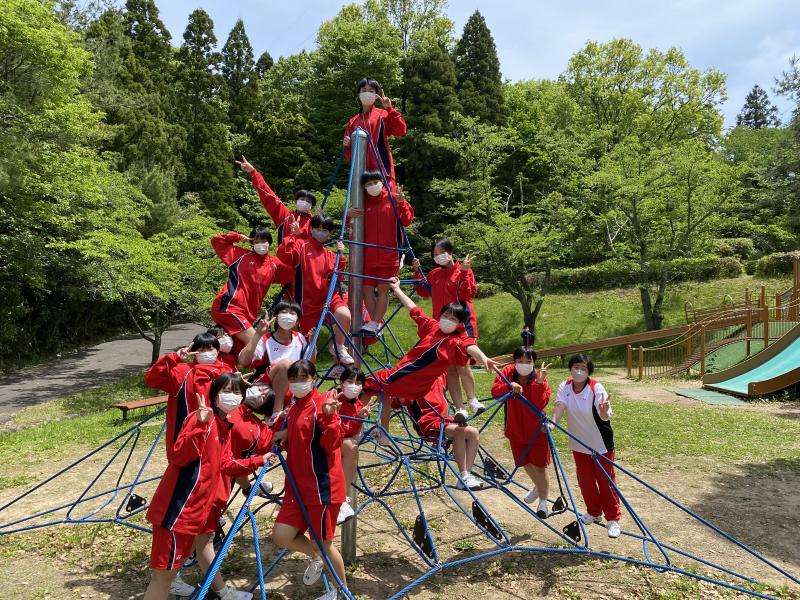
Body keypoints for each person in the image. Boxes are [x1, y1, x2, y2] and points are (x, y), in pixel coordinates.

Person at [143, 372, 276, 600]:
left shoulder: (224, 426)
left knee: (169, 575)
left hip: (196, 513)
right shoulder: (201, 418)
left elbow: (226, 463)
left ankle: (218, 589)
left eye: (237, 392)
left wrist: (258, 460)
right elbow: (178, 456)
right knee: (163, 579)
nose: (232, 396)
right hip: (178, 511)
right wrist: (200, 425)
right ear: (215, 395)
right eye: (227, 390)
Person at [365, 278, 497, 443]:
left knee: (366, 384)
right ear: (440, 316)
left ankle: (359, 425)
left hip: (403, 377)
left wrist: (483, 357)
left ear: (459, 324)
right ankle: (383, 432)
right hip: (414, 386)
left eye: (453, 319)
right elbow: (414, 309)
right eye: (445, 316)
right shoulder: (433, 326)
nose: (447, 320)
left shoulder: (454, 341)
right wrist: (397, 289)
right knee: (382, 391)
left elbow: (469, 346)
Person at [270, 360, 348, 600]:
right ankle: (316, 556)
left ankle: (341, 592)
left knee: (323, 545)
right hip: (297, 487)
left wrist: (330, 418)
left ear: (314, 379)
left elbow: (332, 444)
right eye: (293, 379)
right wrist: (285, 434)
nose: (297, 383)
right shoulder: (296, 405)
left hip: (321, 488)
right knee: (281, 536)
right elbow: (301, 435)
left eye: (303, 378)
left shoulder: (322, 404)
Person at [551, 354, 621, 538]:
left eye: (583, 368)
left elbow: (604, 416)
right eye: (576, 367)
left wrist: (604, 411)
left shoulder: (596, 387)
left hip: (600, 444)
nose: (579, 371)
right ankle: (594, 512)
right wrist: (553, 423)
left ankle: (613, 519)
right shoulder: (565, 386)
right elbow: (560, 405)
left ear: (589, 371)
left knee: (605, 482)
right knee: (585, 481)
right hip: (578, 443)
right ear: (570, 368)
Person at [413, 237, 483, 419]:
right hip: (442, 326)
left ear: (450, 252)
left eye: (442, 252)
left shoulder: (462, 269)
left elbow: (468, 294)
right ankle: (459, 408)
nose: (439, 256)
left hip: (461, 325)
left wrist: (465, 272)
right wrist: (416, 271)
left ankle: (473, 400)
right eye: (435, 254)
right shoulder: (434, 274)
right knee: (450, 368)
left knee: (462, 365)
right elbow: (423, 291)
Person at [144, 333, 233, 463]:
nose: (206, 353)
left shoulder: (227, 373)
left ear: (218, 351)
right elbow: (152, 379)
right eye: (201, 349)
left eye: (210, 349)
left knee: (217, 464)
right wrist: (174, 358)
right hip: (187, 431)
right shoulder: (182, 372)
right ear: (194, 352)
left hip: (217, 430)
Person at [280, 214, 355, 365]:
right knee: (309, 347)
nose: (321, 233)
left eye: (325, 230)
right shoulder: (301, 245)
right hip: (307, 304)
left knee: (345, 315)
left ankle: (338, 346)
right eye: (318, 229)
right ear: (311, 229)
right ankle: (306, 374)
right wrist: (292, 235)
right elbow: (285, 256)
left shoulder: (329, 254)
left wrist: (341, 256)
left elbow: (338, 277)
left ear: (329, 233)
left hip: (328, 298)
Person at [347, 172, 413, 334]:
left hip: (389, 255)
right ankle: (376, 323)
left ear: (382, 182)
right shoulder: (362, 202)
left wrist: (402, 203)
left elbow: (407, 220)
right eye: (368, 184)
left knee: (383, 290)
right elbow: (351, 225)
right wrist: (348, 215)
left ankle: (375, 323)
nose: (372, 186)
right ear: (363, 186)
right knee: (366, 290)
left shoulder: (393, 198)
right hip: (368, 256)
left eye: (375, 182)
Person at [209, 227, 294, 354]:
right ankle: (279, 364)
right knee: (260, 346)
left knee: (236, 352)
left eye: (263, 241)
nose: (260, 244)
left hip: (249, 313)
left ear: (269, 243)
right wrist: (238, 237)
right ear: (251, 243)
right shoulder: (239, 255)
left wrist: (294, 241)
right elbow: (216, 241)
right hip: (229, 307)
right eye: (256, 241)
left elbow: (291, 273)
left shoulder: (274, 264)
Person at [491, 346, 552, 518]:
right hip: (516, 428)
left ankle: (543, 502)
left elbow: (539, 404)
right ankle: (538, 487)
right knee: (524, 462)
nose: (524, 364)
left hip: (537, 430)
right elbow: (495, 392)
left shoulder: (539, 377)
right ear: (514, 361)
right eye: (520, 361)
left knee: (540, 466)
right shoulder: (508, 372)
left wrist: (539, 383)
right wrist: (509, 386)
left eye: (528, 361)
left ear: (534, 362)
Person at [238, 301, 312, 423]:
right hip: (265, 387)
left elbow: (309, 364)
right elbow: (243, 361)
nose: (288, 316)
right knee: (285, 365)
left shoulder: (300, 338)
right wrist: (258, 334)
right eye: (284, 312)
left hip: (291, 385)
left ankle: (280, 415)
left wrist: (312, 345)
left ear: (297, 321)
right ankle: (276, 413)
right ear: (276, 317)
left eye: (292, 313)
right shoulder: (266, 339)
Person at [405, 374, 483, 490]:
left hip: (444, 420)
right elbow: (397, 400)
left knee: (473, 433)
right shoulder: (413, 379)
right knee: (459, 432)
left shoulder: (440, 375)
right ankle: (463, 476)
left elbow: (455, 377)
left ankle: (466, 475)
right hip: (427, 424)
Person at [235, 155, 316, 244]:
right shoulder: (285, 216)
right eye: (302, 199)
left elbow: (319, 244)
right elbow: (268, 195)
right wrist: (253, 172)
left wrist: (300, 233)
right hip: (283, 253)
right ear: (295, 202)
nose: (305, 202)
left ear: (312, 206)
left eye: (308, 201)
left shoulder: (315, 223)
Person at [343, 77, 406, 191]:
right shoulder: (353, 122)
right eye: (364, 90)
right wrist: (347, 145)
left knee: (387, 199)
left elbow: (401, 131)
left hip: (383, 171)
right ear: (358, 94)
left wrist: (390, 109)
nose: (367, 93)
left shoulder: (383, 115)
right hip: (362, 176)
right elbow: (348, 156)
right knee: (362, 202)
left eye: (371, 91)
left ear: (376, 95)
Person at [332, 367, 372, 524]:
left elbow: (351, 431)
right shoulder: (333, 397)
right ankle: (340, 498)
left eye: (358, 383)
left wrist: (360, 417)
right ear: (342, 382)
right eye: (350, 381)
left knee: (351, 446)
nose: (353, 386)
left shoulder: (358, 405)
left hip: (341, 442)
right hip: (326, 440)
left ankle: (340, 498)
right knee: (351, 446)